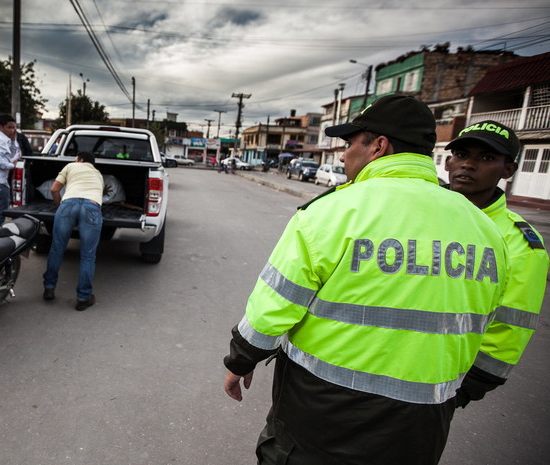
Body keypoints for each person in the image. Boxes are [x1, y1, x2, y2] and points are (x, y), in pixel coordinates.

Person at [222, 95, 508, 465]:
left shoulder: (333, 212)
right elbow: (492, 324)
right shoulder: (486, 231)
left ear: (378, 146)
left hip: (320, 414)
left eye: (349, 143)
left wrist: (240, 360)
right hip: (421, 425)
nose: (342, 156)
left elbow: (274, 304)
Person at [444, 120, 548, 407]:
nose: (469, 165)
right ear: (448, 162)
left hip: (439, 390)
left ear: (508, 170)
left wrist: (460, 393)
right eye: (462, 155)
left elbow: (510, 328)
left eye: (487, 158)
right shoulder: (412, 214)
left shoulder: (520, 243)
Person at [42, 151, 104, 311]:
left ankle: (49, 288)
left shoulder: (71, 166)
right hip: (91, 206)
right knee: (88, 255)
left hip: (68, 204)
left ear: (79, 160)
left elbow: (54, 189)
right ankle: (83, 298)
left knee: (57, 248)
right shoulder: (98, 174)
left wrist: (59, 206)